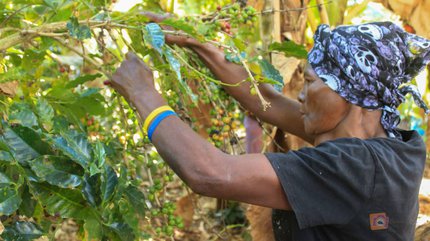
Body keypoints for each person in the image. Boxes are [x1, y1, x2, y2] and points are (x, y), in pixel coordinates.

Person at [111, 21, 430, 240]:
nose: (301, 94)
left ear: (350, 93)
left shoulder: (352, 168)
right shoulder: (396, 145)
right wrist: (198, 43)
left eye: (310, 82)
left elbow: (209, 173)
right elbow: (269, 102)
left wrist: (143, 93)